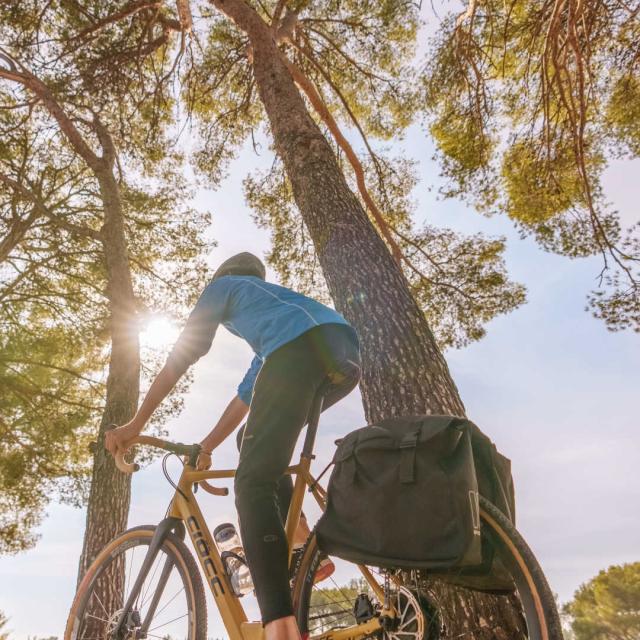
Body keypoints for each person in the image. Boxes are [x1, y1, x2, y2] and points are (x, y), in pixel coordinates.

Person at [105, 252, 361, 640]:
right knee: (252, 443)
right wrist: (206, 446)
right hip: (343, 352)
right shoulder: (273, 328)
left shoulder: (222, 288)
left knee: (251, 483)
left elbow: (183, 354)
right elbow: (245, 400)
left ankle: (279, 627)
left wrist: (135, 424)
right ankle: (300, 538)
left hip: (302, 350)